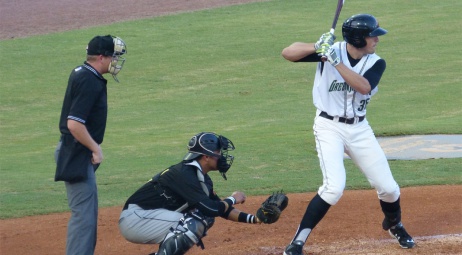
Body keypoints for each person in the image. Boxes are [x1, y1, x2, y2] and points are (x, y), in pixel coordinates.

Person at [280, 14, 415, 255]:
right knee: (333, 188)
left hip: (359, 129)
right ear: (357, 38)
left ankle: (395, 225)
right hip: (328, 127)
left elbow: (364, 86)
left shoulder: (376, 62)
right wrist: (316, 47)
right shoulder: (330, 50)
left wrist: (334, 62)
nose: (376, 39)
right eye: (372, 35)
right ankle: (297, 241)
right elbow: (287, 53)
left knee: (389, 188)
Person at [119, 132, 264, 255]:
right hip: (136, 219)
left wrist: (255, 219)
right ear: (206, 156)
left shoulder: (202, 179)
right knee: (196, 221)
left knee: (203, 216)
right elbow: (213, 209)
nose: (222, 157)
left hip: (149, 217)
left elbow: (221, 209)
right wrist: (233, 198)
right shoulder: (184, 174)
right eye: (218, 153)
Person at [54, 34, 127, 255]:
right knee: (84, 219)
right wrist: (96, 148)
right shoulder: (89, 80)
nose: (116, 62)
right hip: (76, 152)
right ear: (102, 57)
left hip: (75, 150)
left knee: (86, 216)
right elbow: (74, 124)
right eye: (114, 56)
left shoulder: (83, 72)